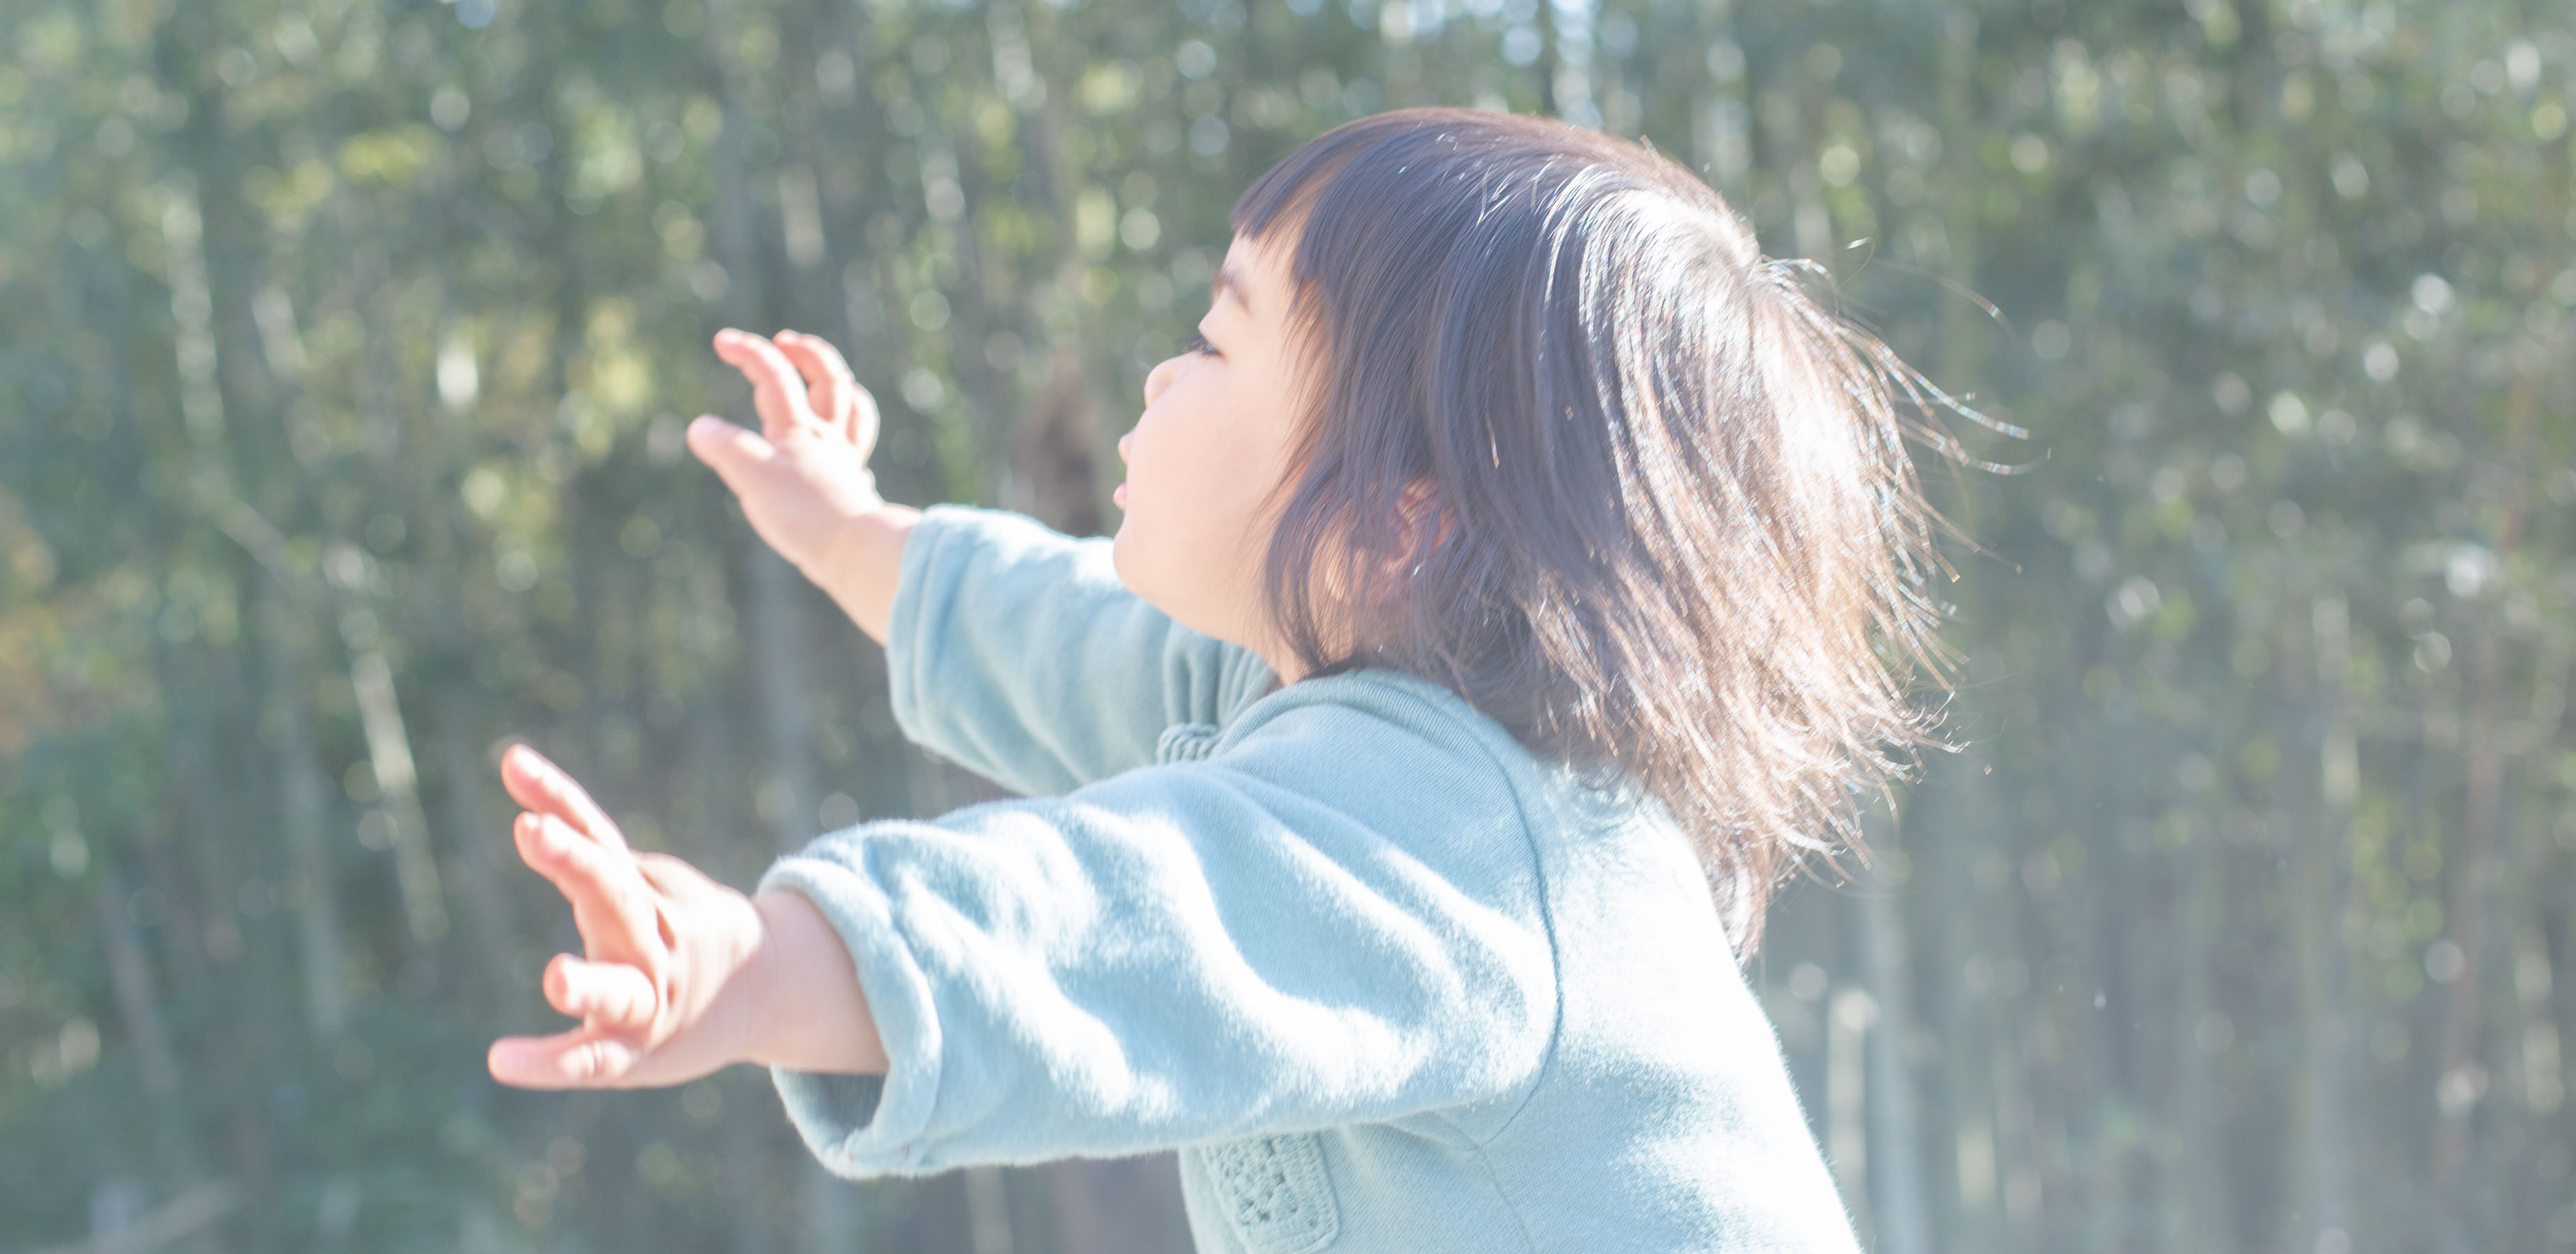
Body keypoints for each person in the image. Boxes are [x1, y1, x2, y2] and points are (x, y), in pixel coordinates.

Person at [488, 107, 1949, 1252]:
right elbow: (1047, 630)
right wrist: (845, 529)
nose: (1157, 376)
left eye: (1213, 336)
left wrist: (750, 966)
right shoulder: (1280, 680)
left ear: (1398, 512)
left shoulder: (1447, 834)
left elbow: (1103, 917)